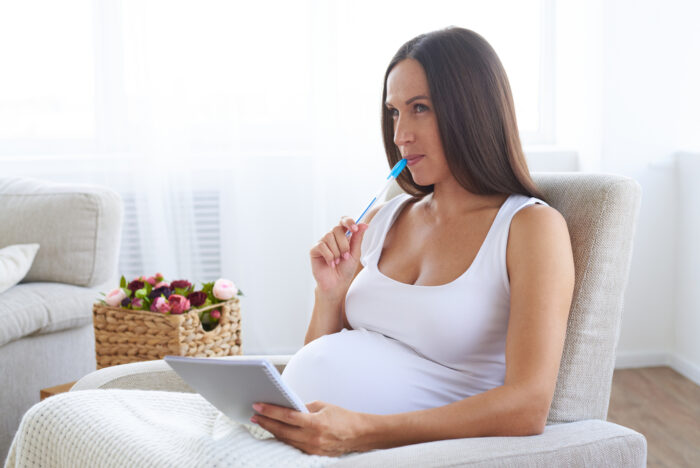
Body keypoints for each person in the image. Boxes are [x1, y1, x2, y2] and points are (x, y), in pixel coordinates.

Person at [247, 26, 575, 457]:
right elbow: (319, 357)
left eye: (419, 108)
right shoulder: (386, 217)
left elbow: (528, 406)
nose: (401, 133)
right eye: (394, 112)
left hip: (386, 451)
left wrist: (364, 431)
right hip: (309, 446)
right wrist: (330, 295)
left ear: (472, 110)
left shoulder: (530, 228)